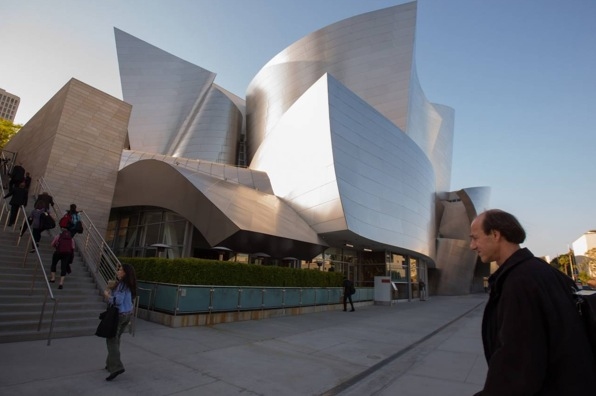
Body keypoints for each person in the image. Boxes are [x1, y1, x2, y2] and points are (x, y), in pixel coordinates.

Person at [470, 209, 596, 395]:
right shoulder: (545, 272)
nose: (472, 245)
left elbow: (517, 367)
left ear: (495, 234)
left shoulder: (519, 283)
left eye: (475, 238)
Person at [103, 263, 137, 381]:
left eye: (120, 270)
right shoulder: (129, 284)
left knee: (111, 339)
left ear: (125, 273)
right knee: (116, 338)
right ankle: (110, 363)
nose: (118, 271)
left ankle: (116, 367)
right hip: (127, 315)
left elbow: (118, 301)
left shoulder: (122, 285)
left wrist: (107, 296)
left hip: (119, 315)